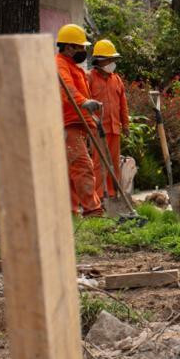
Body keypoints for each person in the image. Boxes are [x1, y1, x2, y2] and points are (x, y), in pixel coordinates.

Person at [56, 24, 102, 216]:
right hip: (68, 123)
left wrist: (92, 116)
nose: (84, 51)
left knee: (73, 169)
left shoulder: (73, 67)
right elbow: (67, 89)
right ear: (69, 47)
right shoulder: (59, 64)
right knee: (83, 166)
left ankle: (72, 211)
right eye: (81, 47)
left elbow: (81, 92)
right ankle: (93, 211)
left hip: (79, 123)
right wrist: (84, 102)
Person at [88, 39, 129, 209]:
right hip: (97, 128)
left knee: (114, 162)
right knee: (99, 163)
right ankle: (98, 197)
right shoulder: (89, 78)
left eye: (113, 60)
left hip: (114, 128)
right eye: (108, 60)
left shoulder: (116, 79)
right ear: (99, 60)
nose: (111, 63)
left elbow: (123, 104)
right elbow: (85, 103)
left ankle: (113, 194)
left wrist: (125, 124)